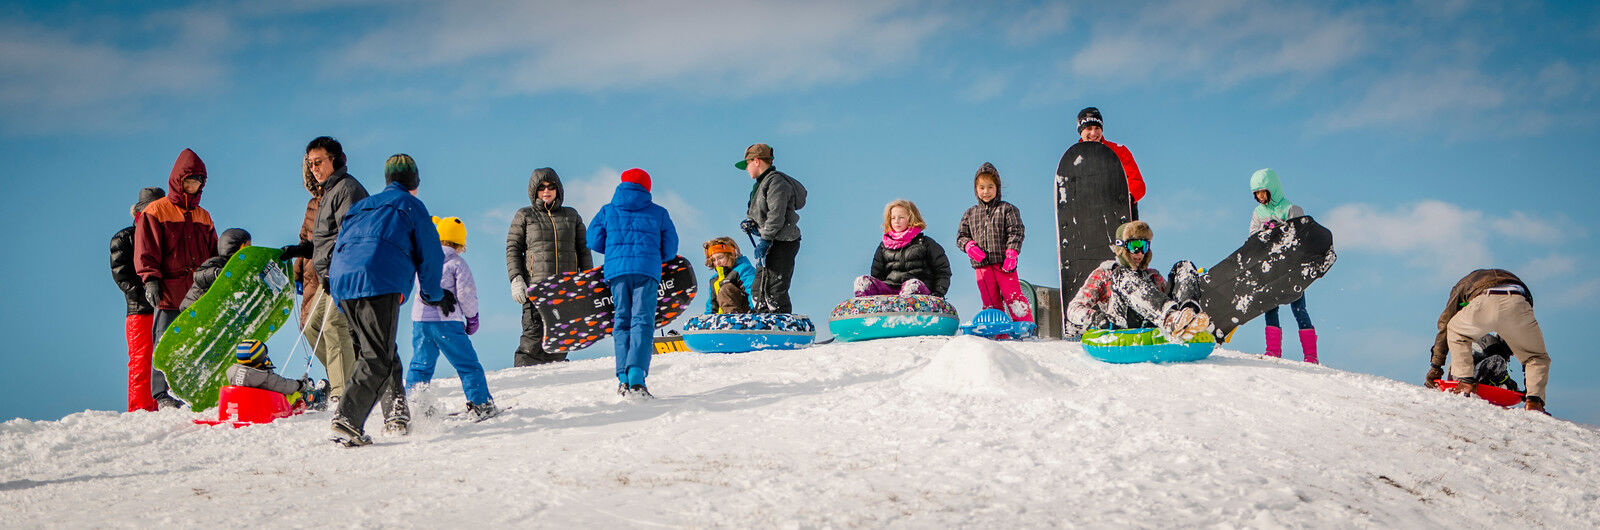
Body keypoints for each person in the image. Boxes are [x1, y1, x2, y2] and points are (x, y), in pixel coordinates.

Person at [327, 154, 454, 446]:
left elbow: (340, 246)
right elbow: (431, 254)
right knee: (377, 356)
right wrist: (433, 294)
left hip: (343, 284)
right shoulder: (411, 205)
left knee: (380, 348)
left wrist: (338, 295)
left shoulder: (361, 207)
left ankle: (396, 414)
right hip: (376, 281)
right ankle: (347, 419)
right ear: (414, 183)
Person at [279, 136, 363, 403]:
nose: (314, 168)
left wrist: (334, 270)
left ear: (336, 160)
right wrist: (301, 251)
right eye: (310, 164)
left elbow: (349, 236)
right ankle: (352, 378)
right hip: (329, 272)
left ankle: (344, 391)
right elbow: (324, 238)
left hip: (344, 273)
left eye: (319, 162)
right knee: (312, 325)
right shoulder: (327, 192)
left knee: (333, 325)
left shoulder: (346, 190)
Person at [134, 148, 218, 409]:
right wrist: (151, 279)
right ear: (178, 180)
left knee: (196, 342)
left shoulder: (204, 216)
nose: (193, 185)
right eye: (189, 180)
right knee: (164, 341)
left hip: (197, 292)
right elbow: (146, 248)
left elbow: (214, 253)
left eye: (198, 181)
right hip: (169, 290)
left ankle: (193, 390)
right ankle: (162, 394)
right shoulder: (156, 211)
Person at [586, 168, 678, 398]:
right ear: (647, 187)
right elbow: (670, 248)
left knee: (622, 321)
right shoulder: (659, 213)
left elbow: (592, 239)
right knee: (642, 321)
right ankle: (637, 375)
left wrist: (614, 249)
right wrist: (656, 257)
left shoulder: (608, 210)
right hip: (647, 272)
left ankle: (623, 379)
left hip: (616, 272)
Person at [407, 216, 498, 421]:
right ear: (460, 245)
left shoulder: (423, 261)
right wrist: (472, 318)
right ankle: (480, 403)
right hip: (447, 323)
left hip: (420, 322)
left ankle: (413, 407)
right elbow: (466, 294)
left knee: (420, 366)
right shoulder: (457, 263)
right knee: (467, 364)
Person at [1424, 269, 1551, 413]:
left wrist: (1436, 367)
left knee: (1456, 330)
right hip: (1518, 302)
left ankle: (1464, 383)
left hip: (1484, 299)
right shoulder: (1514, 280)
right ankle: (1534, 402)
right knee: (1535, 356)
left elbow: (1444, 326)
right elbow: (1513, 334)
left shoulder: (1463, 285)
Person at [1064, 221, 1212, 343]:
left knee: (1184, 266)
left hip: (1151, 321)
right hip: (1122, 322)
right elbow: (1073, 308)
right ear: (1121, 248)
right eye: (1135, 247)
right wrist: (1095, 317)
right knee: (1122, 274)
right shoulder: (1106, 273)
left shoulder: (1152, 275)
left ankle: (1190, 316)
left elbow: (1169, 295)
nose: (1140, 253)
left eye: (1144, 247)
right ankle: (1170, 318)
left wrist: (1188, 287)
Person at [505, 168, 592, 366]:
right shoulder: (525, 215)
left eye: (551, 187)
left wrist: (587, 282)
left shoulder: (571, 215)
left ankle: (552, 385)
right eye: (541, 187)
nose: (546, 191)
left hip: (566, 288)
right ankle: (523, 378)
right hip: (536, 287)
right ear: (534, 191)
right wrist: (516, 278)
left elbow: (583, 250)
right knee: (533, 336)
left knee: (560, 340)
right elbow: (513, 248)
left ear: (558, 189)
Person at [1248, 168, 1318, 363]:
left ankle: (1311, 355)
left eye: (1263, 192)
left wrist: (1281, 228)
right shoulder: (1258, 213)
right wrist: (1264, 230)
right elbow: (1252, 237)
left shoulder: (1290, 208)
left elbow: (1302, 232)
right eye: (1257, 193)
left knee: (1299, 307)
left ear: (1273, 189)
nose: (1260, 197)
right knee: (1270, 307)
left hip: (1292, 267)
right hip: (1271, 268)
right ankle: (1273, 351)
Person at [955, 162, 1032, 323]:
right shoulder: (970, 213)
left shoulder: (1007, 209)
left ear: (997, 188)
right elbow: (961, 236)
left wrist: (1012, 252)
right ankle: (997, 330)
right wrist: (969, 246)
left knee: (1013, 297)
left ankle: (1025, 326)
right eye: (982, 187)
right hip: (981, 266)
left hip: (1004, 264)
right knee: (990, 302)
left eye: (990, 187)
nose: (986, 191)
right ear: (976, 189)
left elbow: (1016, 231)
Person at [111, 187, 166, 412]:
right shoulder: (125, 237)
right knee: (141, 359)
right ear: (140, 212)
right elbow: (121, 274)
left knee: (165, 357)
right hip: (140, 310)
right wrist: (143, 295)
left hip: (166, 307)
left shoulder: (166, 236)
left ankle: (164, 404)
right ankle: (141, 410)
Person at [737, 143, 807, 313]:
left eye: (747, 164)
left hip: (782, 242)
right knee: (759, 288)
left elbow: (776, 214)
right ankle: (761, 319)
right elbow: (762, 214)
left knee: (775, 288)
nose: (746, 169)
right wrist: (752, 224)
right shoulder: (759, 185)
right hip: (769, 241)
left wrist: (766, 239)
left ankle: (781, 323)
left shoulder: (776, 182)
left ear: (756, 161)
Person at [853, 199, 952, 298]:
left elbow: (942, 270)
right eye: (893, 218)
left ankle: (907, 308)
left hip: (919, 290)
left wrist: (938, 293)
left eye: (901, 217)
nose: (896, 221)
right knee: (862, 282)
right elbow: (877, 275)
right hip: (890, 289)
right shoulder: (884, 246)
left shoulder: (924, 243)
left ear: (911, 219)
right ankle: (867, 309)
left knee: (912, 285)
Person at [1074, 107, 1147, 219]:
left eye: (1097, 128)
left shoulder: (1119, 151)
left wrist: (1124, 199)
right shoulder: (1073, 158)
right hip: (1089, 217)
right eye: (1088, 128)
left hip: (1120, 214)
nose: (1093, 133)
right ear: (1081, 131)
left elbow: (1138, 184)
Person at [227, 339, 328, 409]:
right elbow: (285, 386)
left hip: (247, 405)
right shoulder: (264, 377)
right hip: (270, 406)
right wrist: (300, 384)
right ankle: (318, 398)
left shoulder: (233, 374)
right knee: (297, 394)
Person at [178, 228, 251, 311]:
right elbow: (198, 276)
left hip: (211, 306)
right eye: (247, 247)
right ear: (235, 246)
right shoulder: (218, 262)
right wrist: (216, 273)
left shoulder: (238, 268)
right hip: (194, 303)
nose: (249, 250)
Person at [702, 236, 756, 314]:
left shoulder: (743, 269)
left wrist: (755, 311)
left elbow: (752, 290)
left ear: (732, 255)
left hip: (747, 312)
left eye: (720, 258)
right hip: (723, 317)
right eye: (714, 260)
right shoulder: (714, 280)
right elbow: (712, 305)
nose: (717, 262)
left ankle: (734, 318)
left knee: (726, 289)